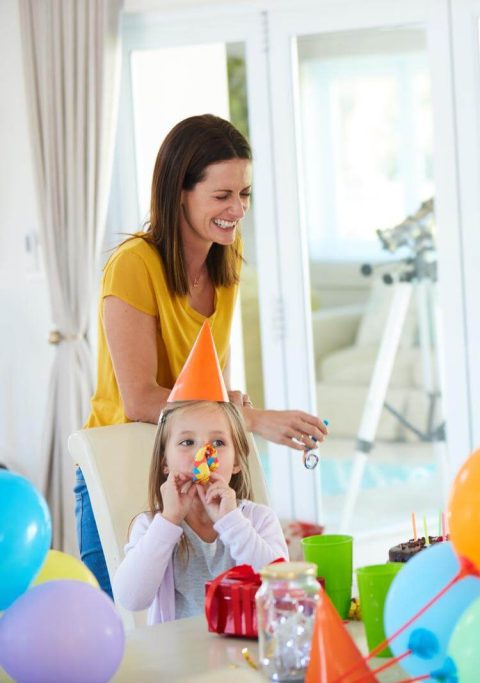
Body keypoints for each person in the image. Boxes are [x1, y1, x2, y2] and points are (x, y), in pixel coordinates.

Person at [79, 115, 327, 597]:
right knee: (124, 625)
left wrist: (232, 411)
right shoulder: (132, 265)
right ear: (180, 193)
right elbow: (139, 399)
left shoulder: (224, 262)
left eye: (245, 194)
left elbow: (212, 389)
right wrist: (248, 418)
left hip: (192, 461)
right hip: (122, 462)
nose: (237, 209)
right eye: (222, 196)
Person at [112, 399, 288, 624]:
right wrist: (169, 521)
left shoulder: (258, 519)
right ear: (164, 461)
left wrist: (232, 522)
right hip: (178, 657)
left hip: (247, 653)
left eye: (218, 442)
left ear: (237, 462)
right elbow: (130, 599)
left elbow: (282, 590)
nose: (203, 455)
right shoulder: (151, 526)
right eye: (187, 442)